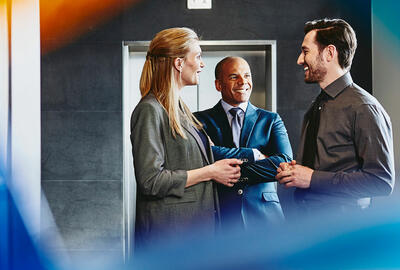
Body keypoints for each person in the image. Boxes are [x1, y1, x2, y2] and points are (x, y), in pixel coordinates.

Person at [130, 27, 244, 250]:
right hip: (169, 239)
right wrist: (210, 172)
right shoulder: (149, 110)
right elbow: (150, 181)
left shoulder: (179, 108)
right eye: (198, 57)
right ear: (179, 63)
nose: (202, 64)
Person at [276, 18, 395, 215]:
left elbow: (381, 181)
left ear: (330, 53)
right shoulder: (317, 105)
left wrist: (312, 178)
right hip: (308, 225)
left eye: (305, 51)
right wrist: (295, 172)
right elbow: (320, 167)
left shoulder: (364, 107)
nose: (299, 59)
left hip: (342, 234)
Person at [195, 57, 293, 230]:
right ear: (218, 85)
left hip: (266, 218)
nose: (243, 82)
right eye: (234, 77)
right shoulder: (199, 121)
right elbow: (202, 157)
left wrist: (223, 170)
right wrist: (255, 155)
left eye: (247, 75)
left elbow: (284, 163)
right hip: (220, 218)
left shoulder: (270, 120)